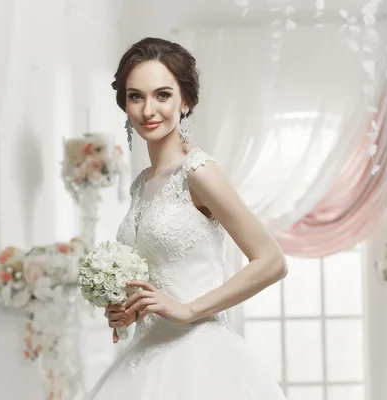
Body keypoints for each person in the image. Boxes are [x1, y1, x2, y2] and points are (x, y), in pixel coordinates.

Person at [89, 37, 288, 399]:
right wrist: (128, 312)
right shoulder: (140, 185)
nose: (149, 109)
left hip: (200, 361)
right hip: (145, 360)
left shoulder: (198, 171)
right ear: (126, 106)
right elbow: (160, 276)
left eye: (162, 95)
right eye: (136, 96)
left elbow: (272, 261)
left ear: (186, 102)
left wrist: (187, 309)